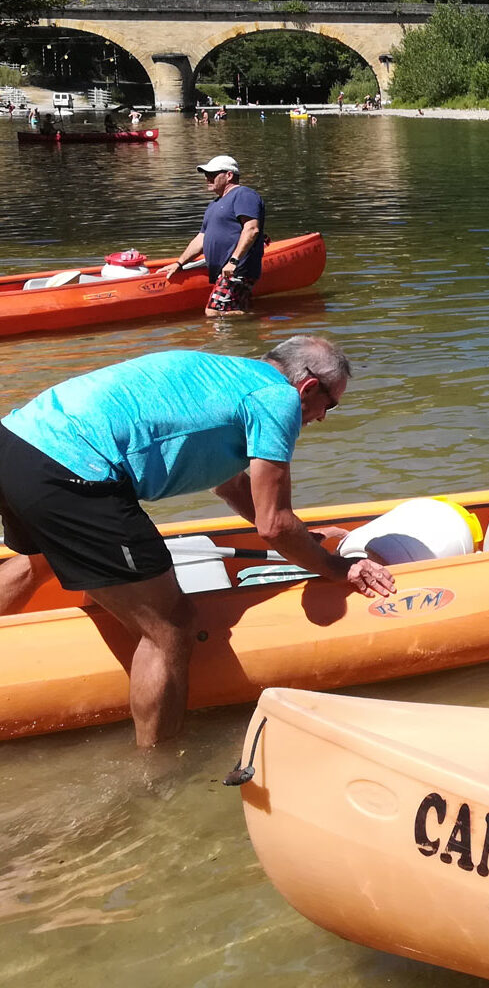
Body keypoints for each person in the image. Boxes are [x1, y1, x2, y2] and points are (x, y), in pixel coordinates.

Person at [0, 338, 394, 746]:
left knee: (41, 562)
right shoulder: (278, 400)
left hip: (15, 442)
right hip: (72, 468)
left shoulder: (225, 376)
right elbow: (274, 526)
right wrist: (337, 567)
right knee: (171, 626)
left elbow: (230, 485)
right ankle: (158, 767)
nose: (323, 417)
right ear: (308, 387)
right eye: (330, 405)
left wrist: (305, 541)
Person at [164, 155, 265, 317]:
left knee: (214, 311)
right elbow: (201, 238)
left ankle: (261, 319)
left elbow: (252, 229)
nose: (207, 178)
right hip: (224, 270)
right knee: (235, 309)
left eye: (212, 174)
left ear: (229, 175)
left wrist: (233, 261)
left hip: (237, 268)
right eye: (206, 174)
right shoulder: (214, 205)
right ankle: (253, 325)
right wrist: (179, 263)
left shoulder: (244, 195)